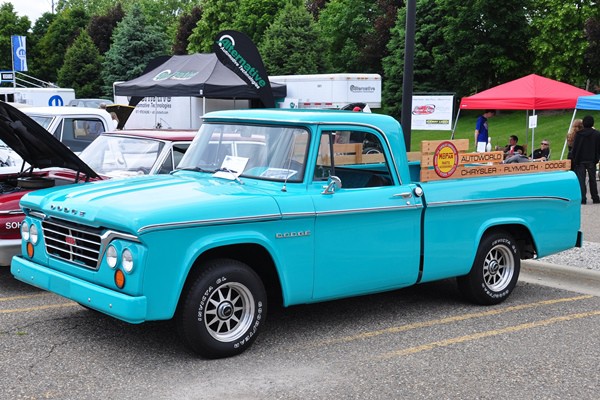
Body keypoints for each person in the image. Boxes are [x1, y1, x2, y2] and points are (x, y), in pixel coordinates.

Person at [570, 115, 600, 204]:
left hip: (580, 160)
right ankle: (595, 197)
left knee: (581, 180)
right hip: (591, 159)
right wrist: (597, 157)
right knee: (592, 179)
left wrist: (575, 158)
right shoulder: (597, 134)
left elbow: (574, 148)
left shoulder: (578, 134)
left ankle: (583, 198)